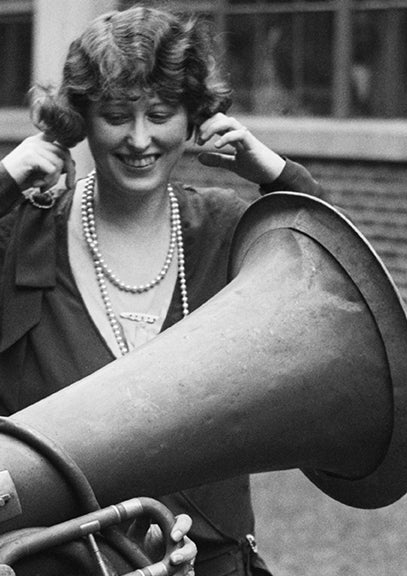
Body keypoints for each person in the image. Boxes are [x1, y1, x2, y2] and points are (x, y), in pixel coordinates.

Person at [0, 6, 325, 576]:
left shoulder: (227, 228)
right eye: (116, 115)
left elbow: (333, 283)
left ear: (195, 117)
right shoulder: (23, 233)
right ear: (79, 119)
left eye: (161, 113)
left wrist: (277, 174)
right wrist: (2, 183)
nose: (140, 139)